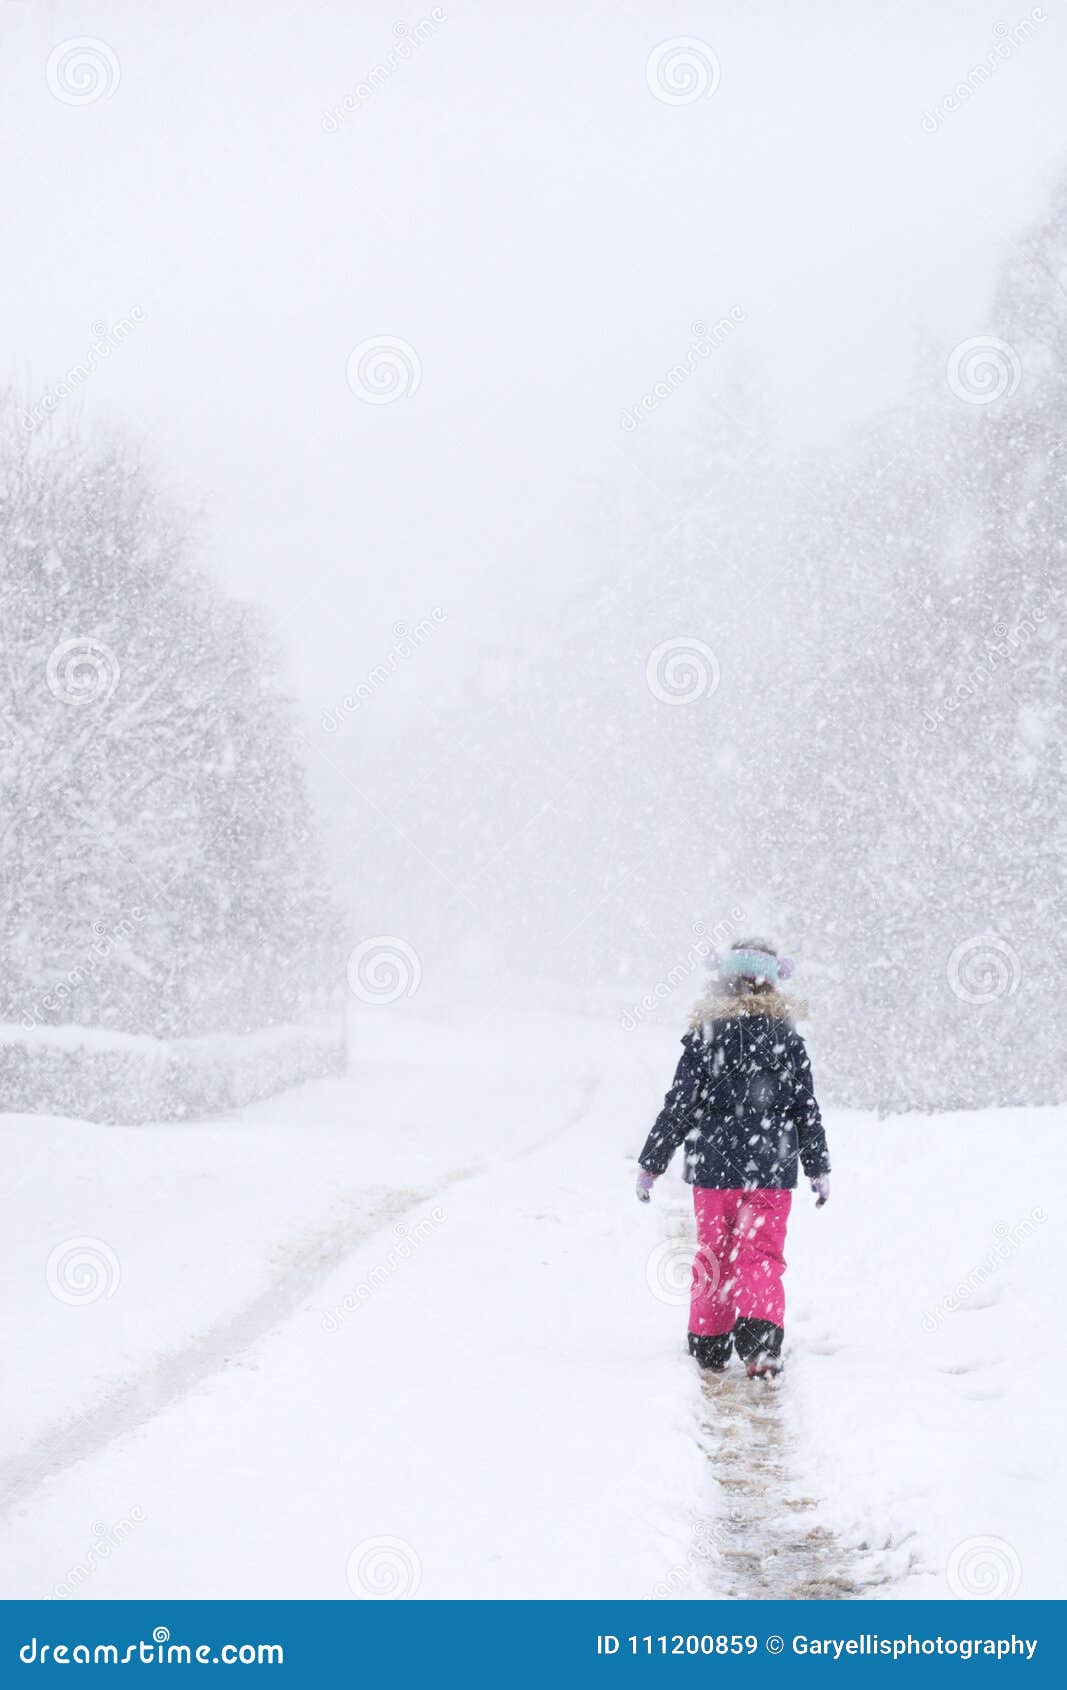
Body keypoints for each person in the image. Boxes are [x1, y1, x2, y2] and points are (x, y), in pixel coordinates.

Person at [635, 936, 830, 1378]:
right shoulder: (787, 1040)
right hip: (771, 1168)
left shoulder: (706, 1036)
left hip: (713, 1167)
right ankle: (761, 1345)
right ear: (773, 986)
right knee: (760, 1254)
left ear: (722, 981)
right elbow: (806, 1108)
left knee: (714, 1253)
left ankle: (709, 1343)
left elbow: (680, 1105)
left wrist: (652, 1161)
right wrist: (818, 1167)